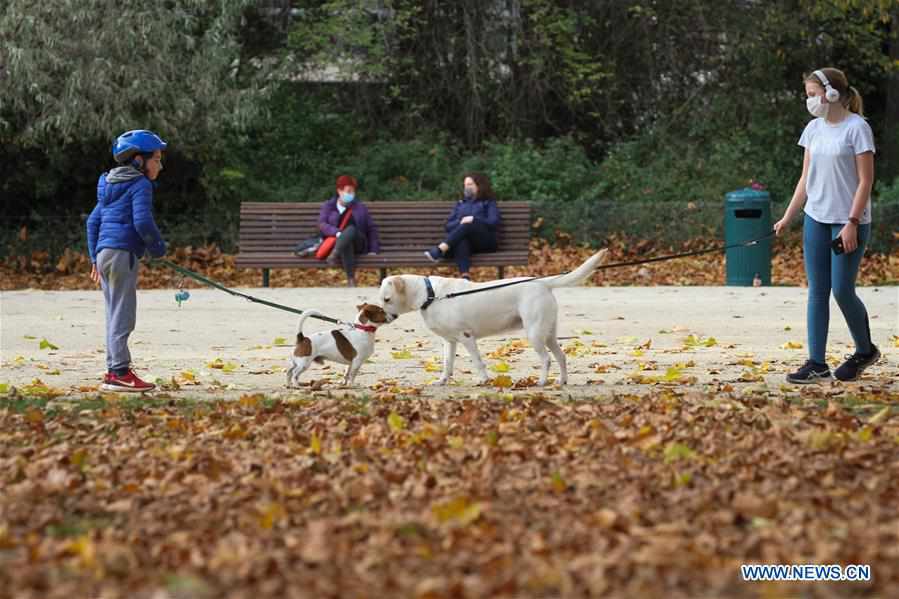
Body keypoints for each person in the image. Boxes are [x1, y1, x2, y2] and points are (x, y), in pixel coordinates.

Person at [774, 67, 880, 384]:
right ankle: (816, 363)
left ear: (831, 93)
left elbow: (865, 182)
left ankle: (865, 351)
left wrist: (851, 222)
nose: (809, 101)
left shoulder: (857, 129)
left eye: (812, 95)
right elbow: (806, 178)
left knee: (843, 290)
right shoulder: (814, 129)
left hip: (848, 222)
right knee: (817, 292)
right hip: (816, 218)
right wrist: (789, 216)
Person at [86, 130, 168, 392]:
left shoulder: (108, 184)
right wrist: (158, 248)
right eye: (156, 158)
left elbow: (93, 221)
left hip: (104, 253)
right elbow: (142, 221)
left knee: (113, 313)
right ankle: (120, 372)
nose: (160, 164)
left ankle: (114, 371)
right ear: (138, 161)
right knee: (124, 314)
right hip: (123, 254)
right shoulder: (139, 184)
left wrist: (93, 258)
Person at [424, 172, 502, 280]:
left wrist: (474, 219)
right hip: (469, 243)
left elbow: (493, 222)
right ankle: (465, 277)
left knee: (469, 224)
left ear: (479, 185)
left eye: (470, 184)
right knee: (462, 239)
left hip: (486, 241)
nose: (467, 187)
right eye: (465, 185)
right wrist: (460, 222)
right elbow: (448, 226)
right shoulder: (461, 204)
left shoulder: (488, 202)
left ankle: (440, 249)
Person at [319, 175, 380, 287]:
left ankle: (334, 254)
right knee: (346, 241)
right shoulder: (329, 206)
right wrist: (337, 233)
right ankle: (351, 279)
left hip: (359, 242)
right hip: (338, 242)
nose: (351, 194)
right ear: (339, 191)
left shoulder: (360, 207)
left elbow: (371, 228)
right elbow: (322, 225)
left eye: (353, 191)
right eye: (348, 191)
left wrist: (373, 249)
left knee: (351, 230)